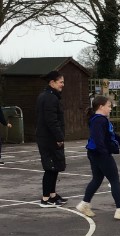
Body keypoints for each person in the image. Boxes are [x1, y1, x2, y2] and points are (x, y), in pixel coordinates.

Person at [74, 96, 120, 220]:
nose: (110, 109)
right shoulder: (99, 120)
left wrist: (118, 139)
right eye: (109, 106)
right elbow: (99, 139)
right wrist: (105, 153)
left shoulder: (98, 119)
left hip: (94, 153)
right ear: (101, 107)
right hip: (100, 154)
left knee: (97, 179)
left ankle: (84, 204)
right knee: (114, 180)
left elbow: (106, 135)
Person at [36, 71, 68, 207]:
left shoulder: (49, 96)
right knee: (50, 168)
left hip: (48, 138)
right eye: (61, 82)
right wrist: (59, 137)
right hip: (49, 139)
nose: (63, 85)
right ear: (52, 82)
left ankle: (53, 195)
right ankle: (45, 199)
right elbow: (51, 121)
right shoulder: (50, 98)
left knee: (55, 167)